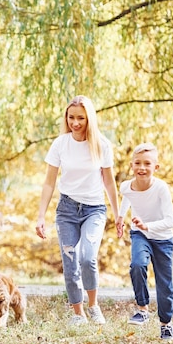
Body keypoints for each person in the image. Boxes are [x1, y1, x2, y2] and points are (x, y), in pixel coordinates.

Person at [35, 95, 120, 326]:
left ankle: (93, 306)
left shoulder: (101, 144)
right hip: (67, 210)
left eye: (80, 118)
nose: (75, 123)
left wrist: (118, 213)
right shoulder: (60, 144)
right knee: (70, 262)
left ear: (89, 118)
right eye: (71, 117)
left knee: (87, 258)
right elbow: (49, 182)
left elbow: (109, 182)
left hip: (94, 210)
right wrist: (41, 216)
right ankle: (77, 313)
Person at [115, 142, 173, 339]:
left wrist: (148, 226)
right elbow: (127, 196)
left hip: (162, 239)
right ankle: (142, 309)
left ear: (155, 168)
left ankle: (166, 324)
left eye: (147, 164)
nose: (142, 168)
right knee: (137, 264)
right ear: (131, 165)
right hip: (140, 234)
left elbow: (170, 221)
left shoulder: (161, 189)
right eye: (138, 163)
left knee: (164, 283)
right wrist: (121, 217)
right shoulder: (126, 186)